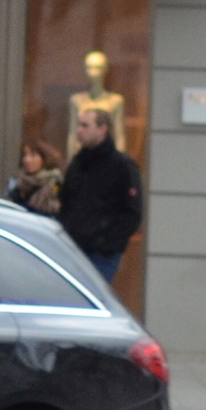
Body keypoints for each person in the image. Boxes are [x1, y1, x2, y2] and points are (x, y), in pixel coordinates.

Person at [58, 107, 144, 286]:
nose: (79, 131)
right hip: (73, 249)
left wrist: (109, 245)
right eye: (79, 125)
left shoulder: (121, 166)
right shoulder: (78, 163)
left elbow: (132, 212)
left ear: (102, 129)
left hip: (101, 256)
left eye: (85, 126)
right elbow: (66, 202)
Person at [8, 139, 65, 215]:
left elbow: (55, 206)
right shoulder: (19, 181)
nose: (27, 160)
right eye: (25, 155)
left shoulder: (56, 182)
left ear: (44, 159)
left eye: (33, 155)